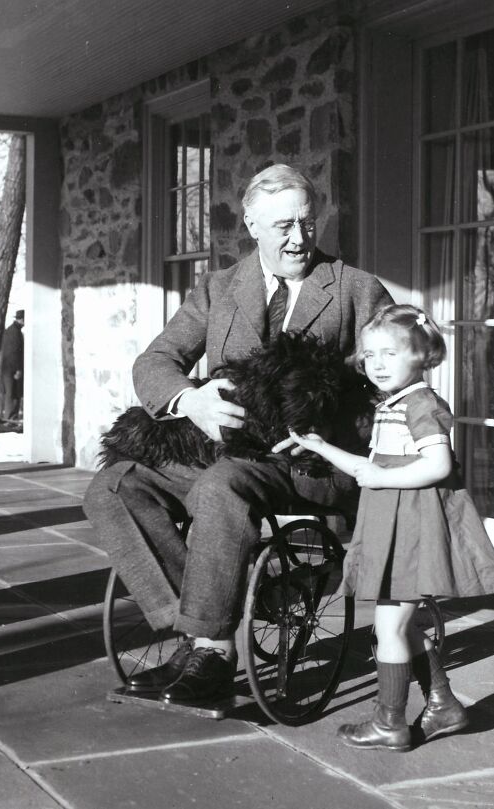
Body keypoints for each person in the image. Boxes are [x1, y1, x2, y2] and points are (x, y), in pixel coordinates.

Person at [83, 164, 393, 705]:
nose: (299, 238)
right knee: (114, 486)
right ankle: (200, 630)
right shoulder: (220, 287)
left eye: (307, 223)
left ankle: (213, 651)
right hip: (227, 451)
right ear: (252, 224)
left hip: (307, 463)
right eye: (283, 227)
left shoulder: (357, 291)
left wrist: (331, 438)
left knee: (220, 486)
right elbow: (156, 360)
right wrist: (190, 401)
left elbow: (389, 392)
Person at [288, 304, 494, 752]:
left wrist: (384, 478)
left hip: (412, 530)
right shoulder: (395, 404)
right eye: (369, 355)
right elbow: (370, 467)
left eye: (390, 353)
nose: (377, 364)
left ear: (423, 356)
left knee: (389, 628)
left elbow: (438, 464)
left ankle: (390, 723)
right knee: (400, 626)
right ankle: (443, 704)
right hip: (394, 526)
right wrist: (321, 446)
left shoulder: (422, 404)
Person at [0, 309, 24, 420]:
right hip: (11, 370)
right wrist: (18, 369)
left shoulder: (12, 330)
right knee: (12, 395)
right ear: (21, 319)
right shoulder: (14, 332)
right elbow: (13, 352)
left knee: (12, 394)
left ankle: (10, 418)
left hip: (8, 369)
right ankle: (10, 419)